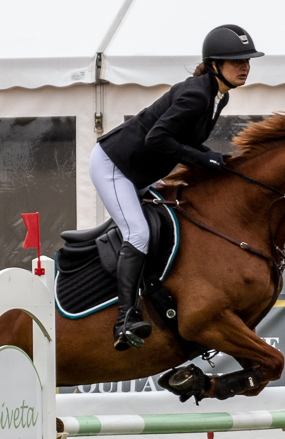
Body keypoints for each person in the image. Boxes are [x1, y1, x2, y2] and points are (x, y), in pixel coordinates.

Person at [90, 24, 264, 351]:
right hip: (115, 166)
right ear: (214, 65)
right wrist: (202, 157)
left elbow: (183, 141)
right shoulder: (197, 94)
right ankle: (124, 321)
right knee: (138, 234)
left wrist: (215, 159)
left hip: (141, 170)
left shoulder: (218, 96)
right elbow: (156, 138)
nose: (245, 66)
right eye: (237, 61)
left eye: (247, 60)